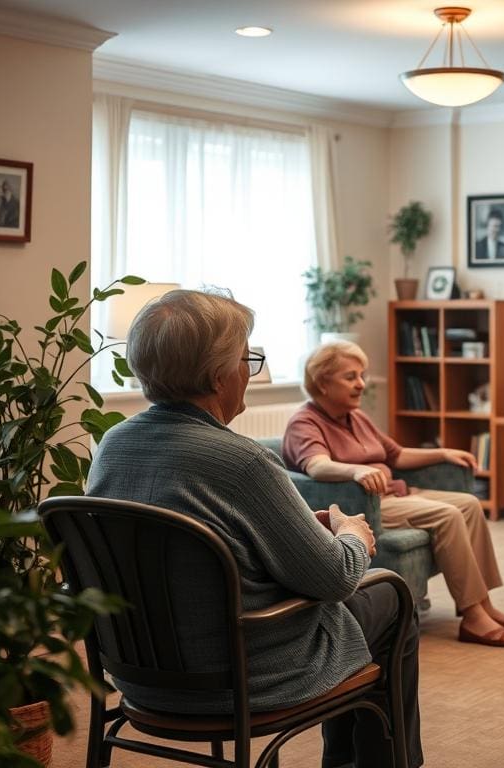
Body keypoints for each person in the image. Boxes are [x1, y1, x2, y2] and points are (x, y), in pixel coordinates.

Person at [87, 290, 423, 768]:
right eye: (248, 358)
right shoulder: (244, 463)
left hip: (138, 676)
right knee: (391, 598)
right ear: (219, 373)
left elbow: (192, 539)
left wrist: (299, 528)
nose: (249, 371)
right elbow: (334, 579)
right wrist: (351, 535)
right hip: (244, 676)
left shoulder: (112, 445)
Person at [283, 340, 504, 647]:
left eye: (361, 375)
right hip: (364, 504)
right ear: (322, 383)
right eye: (350, 377)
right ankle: (473, 617)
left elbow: (397, 456)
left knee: (470, 504)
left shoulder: (356, 416)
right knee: (448, 515)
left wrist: (444, 452)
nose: (361, 384)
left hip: (395, 495)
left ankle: (483, 604)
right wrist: (355, 470)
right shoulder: (305, 422)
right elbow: (317, 466)